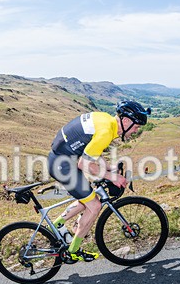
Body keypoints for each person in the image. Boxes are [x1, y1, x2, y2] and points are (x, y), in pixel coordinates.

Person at [47, 100, 151, 262]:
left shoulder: (105, 121)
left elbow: (92, 151)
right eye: (136, 127)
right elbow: (85, 164)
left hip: (63, 160)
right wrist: (112, 177)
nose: (136, 131)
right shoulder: (106, 133)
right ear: (126, 121)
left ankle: (57, 224)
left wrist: (109, 168)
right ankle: (73, 251)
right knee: (94, 205)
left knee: (88, 197)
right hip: (64, 165)